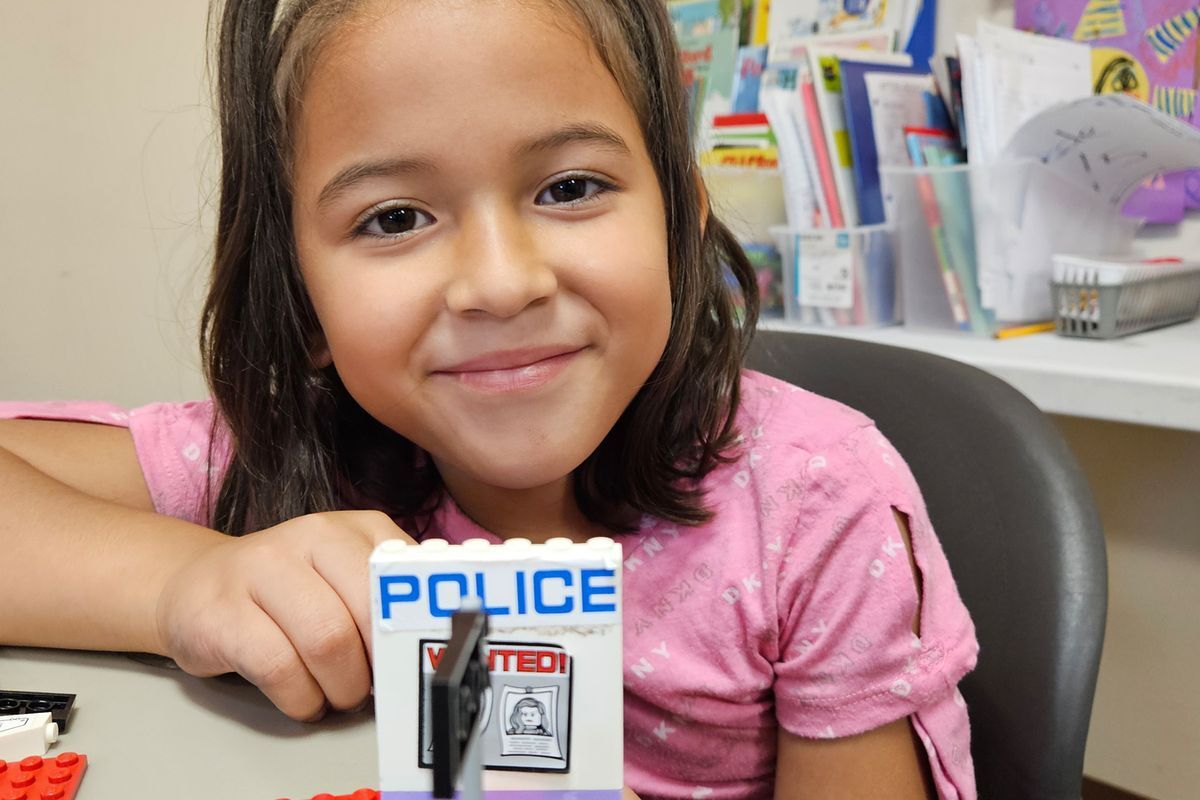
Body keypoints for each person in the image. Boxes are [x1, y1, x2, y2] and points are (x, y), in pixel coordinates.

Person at [0, 0, 978, 797]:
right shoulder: (282, 456)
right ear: (300, 298)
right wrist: (182, 585)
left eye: (570, 188)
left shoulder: (816, 504)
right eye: (394, 217)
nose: (501, 283)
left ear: (679, 215)